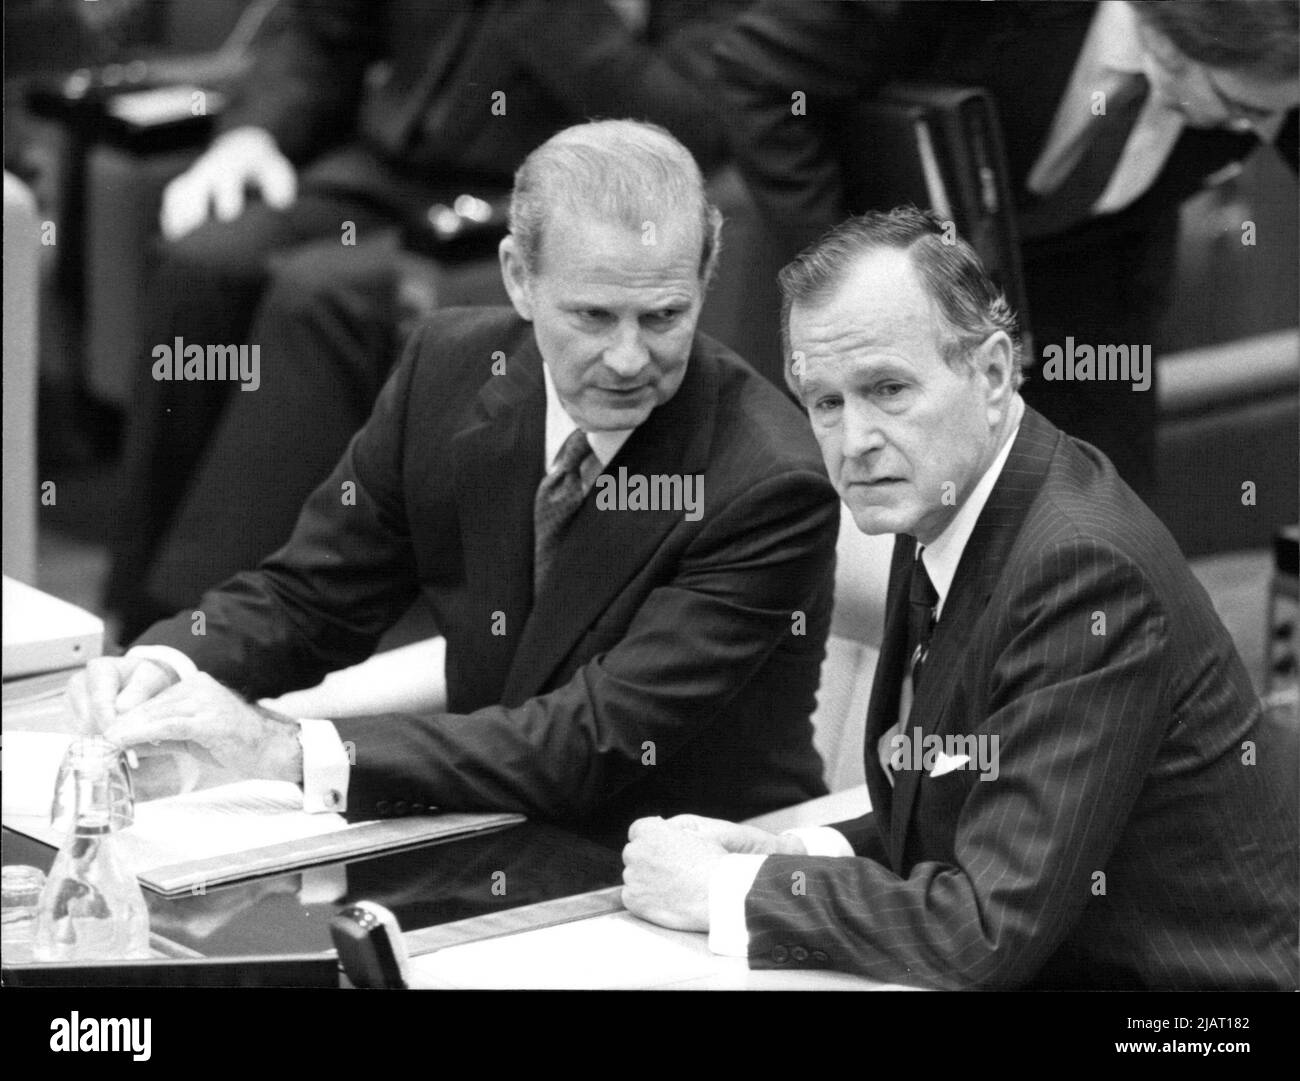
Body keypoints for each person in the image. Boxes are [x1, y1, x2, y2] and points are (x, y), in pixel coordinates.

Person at [69, 120, 839, 848]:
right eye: (594, 316)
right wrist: (169, 664)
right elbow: (312, 596)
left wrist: (280, 749)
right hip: (475, 822)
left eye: (664, 316)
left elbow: (586, 742)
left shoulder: (770, 483)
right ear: (518, 278)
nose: (630, 357)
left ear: (707, 279)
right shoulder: (447, 366)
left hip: (663, 867)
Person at [620, 207, 1299, 990]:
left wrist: (724, 891)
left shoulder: (1082, 567)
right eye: (827, 402)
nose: (855, 440)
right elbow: (965, 805)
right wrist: (796, 856)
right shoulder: (951, 490)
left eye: (887, 388)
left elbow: (983, 930)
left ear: (993, 372)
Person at [105, 0, 750, 641]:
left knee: (319, 295)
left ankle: (217, 639)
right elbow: (322, 29)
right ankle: (136, 616)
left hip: (555, 207)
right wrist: (255, 132)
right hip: (389, 166)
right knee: (206, 262)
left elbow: (691, 121)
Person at [710, 0, 1300, 503]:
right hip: (901, 262)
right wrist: (850, 281)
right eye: (1247, 110)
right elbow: (758, 76)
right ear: (1171, 49)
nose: (1267, 132)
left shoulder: (1271, 59)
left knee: (1104, 537)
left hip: (1096, 294)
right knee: (888, 536)